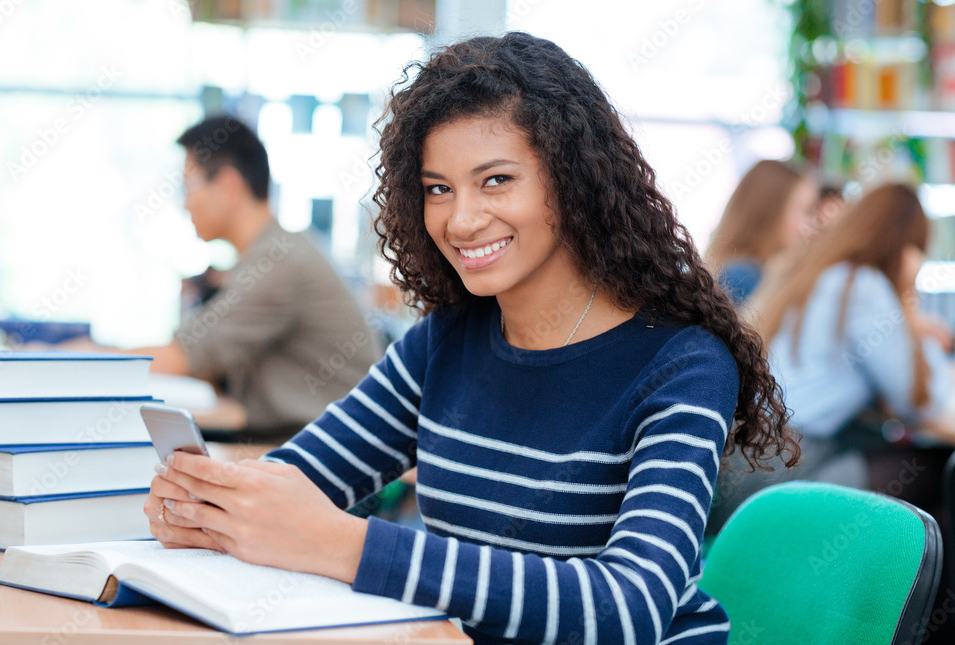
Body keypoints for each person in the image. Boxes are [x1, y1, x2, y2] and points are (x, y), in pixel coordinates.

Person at [145, 33, 797, 644]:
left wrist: (347, 545)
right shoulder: (447, 340)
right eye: (438, 188)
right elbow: (300, 480)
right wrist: (210, 502)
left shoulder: (680, 364)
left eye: (496, 180)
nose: (460, 219)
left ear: (573, 180)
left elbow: (629, 606)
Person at [80, 116, 380, 439]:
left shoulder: (278, 262)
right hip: (303, 441)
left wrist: (79, 359)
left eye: (188, 186)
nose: (185, 204)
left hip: (329, 456)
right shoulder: (268, 254)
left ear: (228, 186)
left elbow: (181, 356)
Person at [708, 183, 955, 536]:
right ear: (902, 246)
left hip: (744, 460)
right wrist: (906, 299)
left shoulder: (818, 275)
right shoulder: (863, 286)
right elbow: (920, 402)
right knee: (933, 468)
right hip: (776, 472)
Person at [705, 159, 820, 305]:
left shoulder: (748, 271)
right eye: (806, 211)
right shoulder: (742, 276)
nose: (811, 223)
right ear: (769, 213)